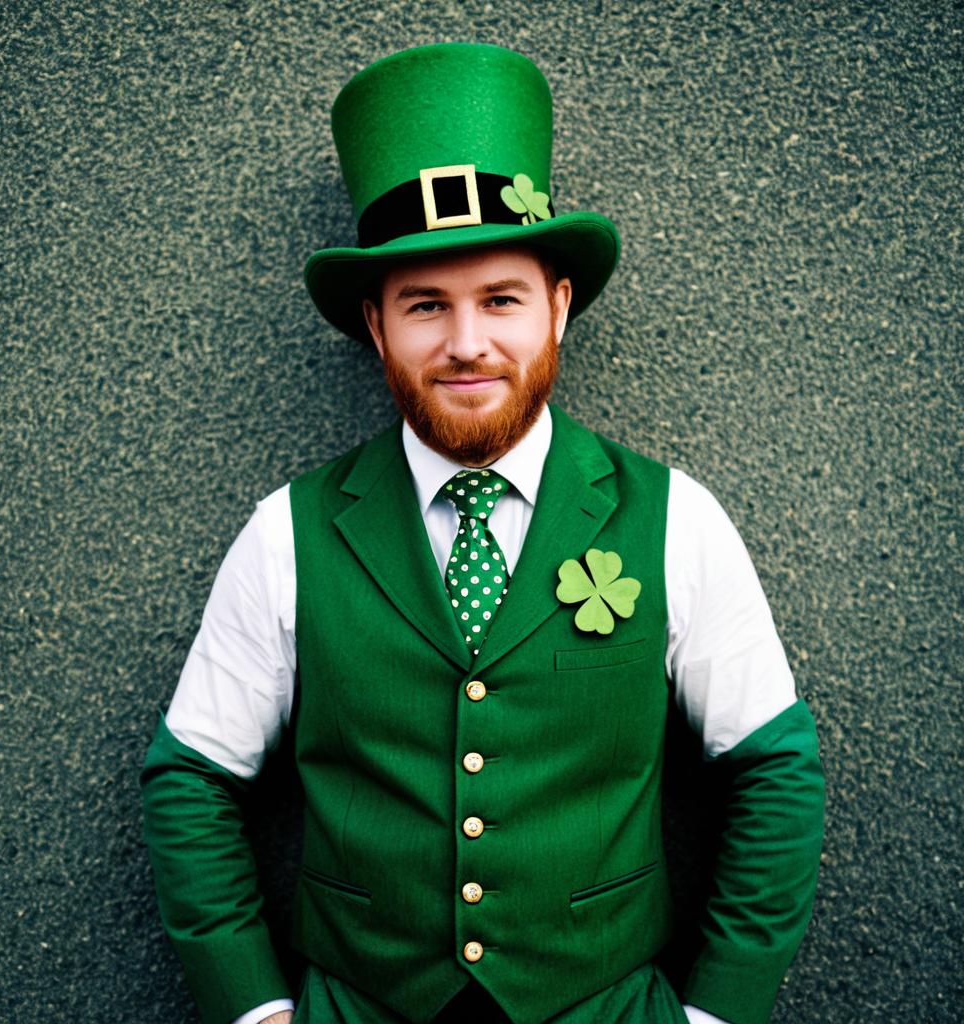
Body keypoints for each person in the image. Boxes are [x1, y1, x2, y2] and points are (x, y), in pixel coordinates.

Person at [141, 42, 824, 1024]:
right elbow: (191, 778)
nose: (466, 342)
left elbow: (776, 768)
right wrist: (254, 1009)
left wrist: (718, 1013)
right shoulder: (285, 536)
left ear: (557, 308)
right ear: (375, 325)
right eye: (425, 305)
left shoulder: (675, 520)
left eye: (500, 299)